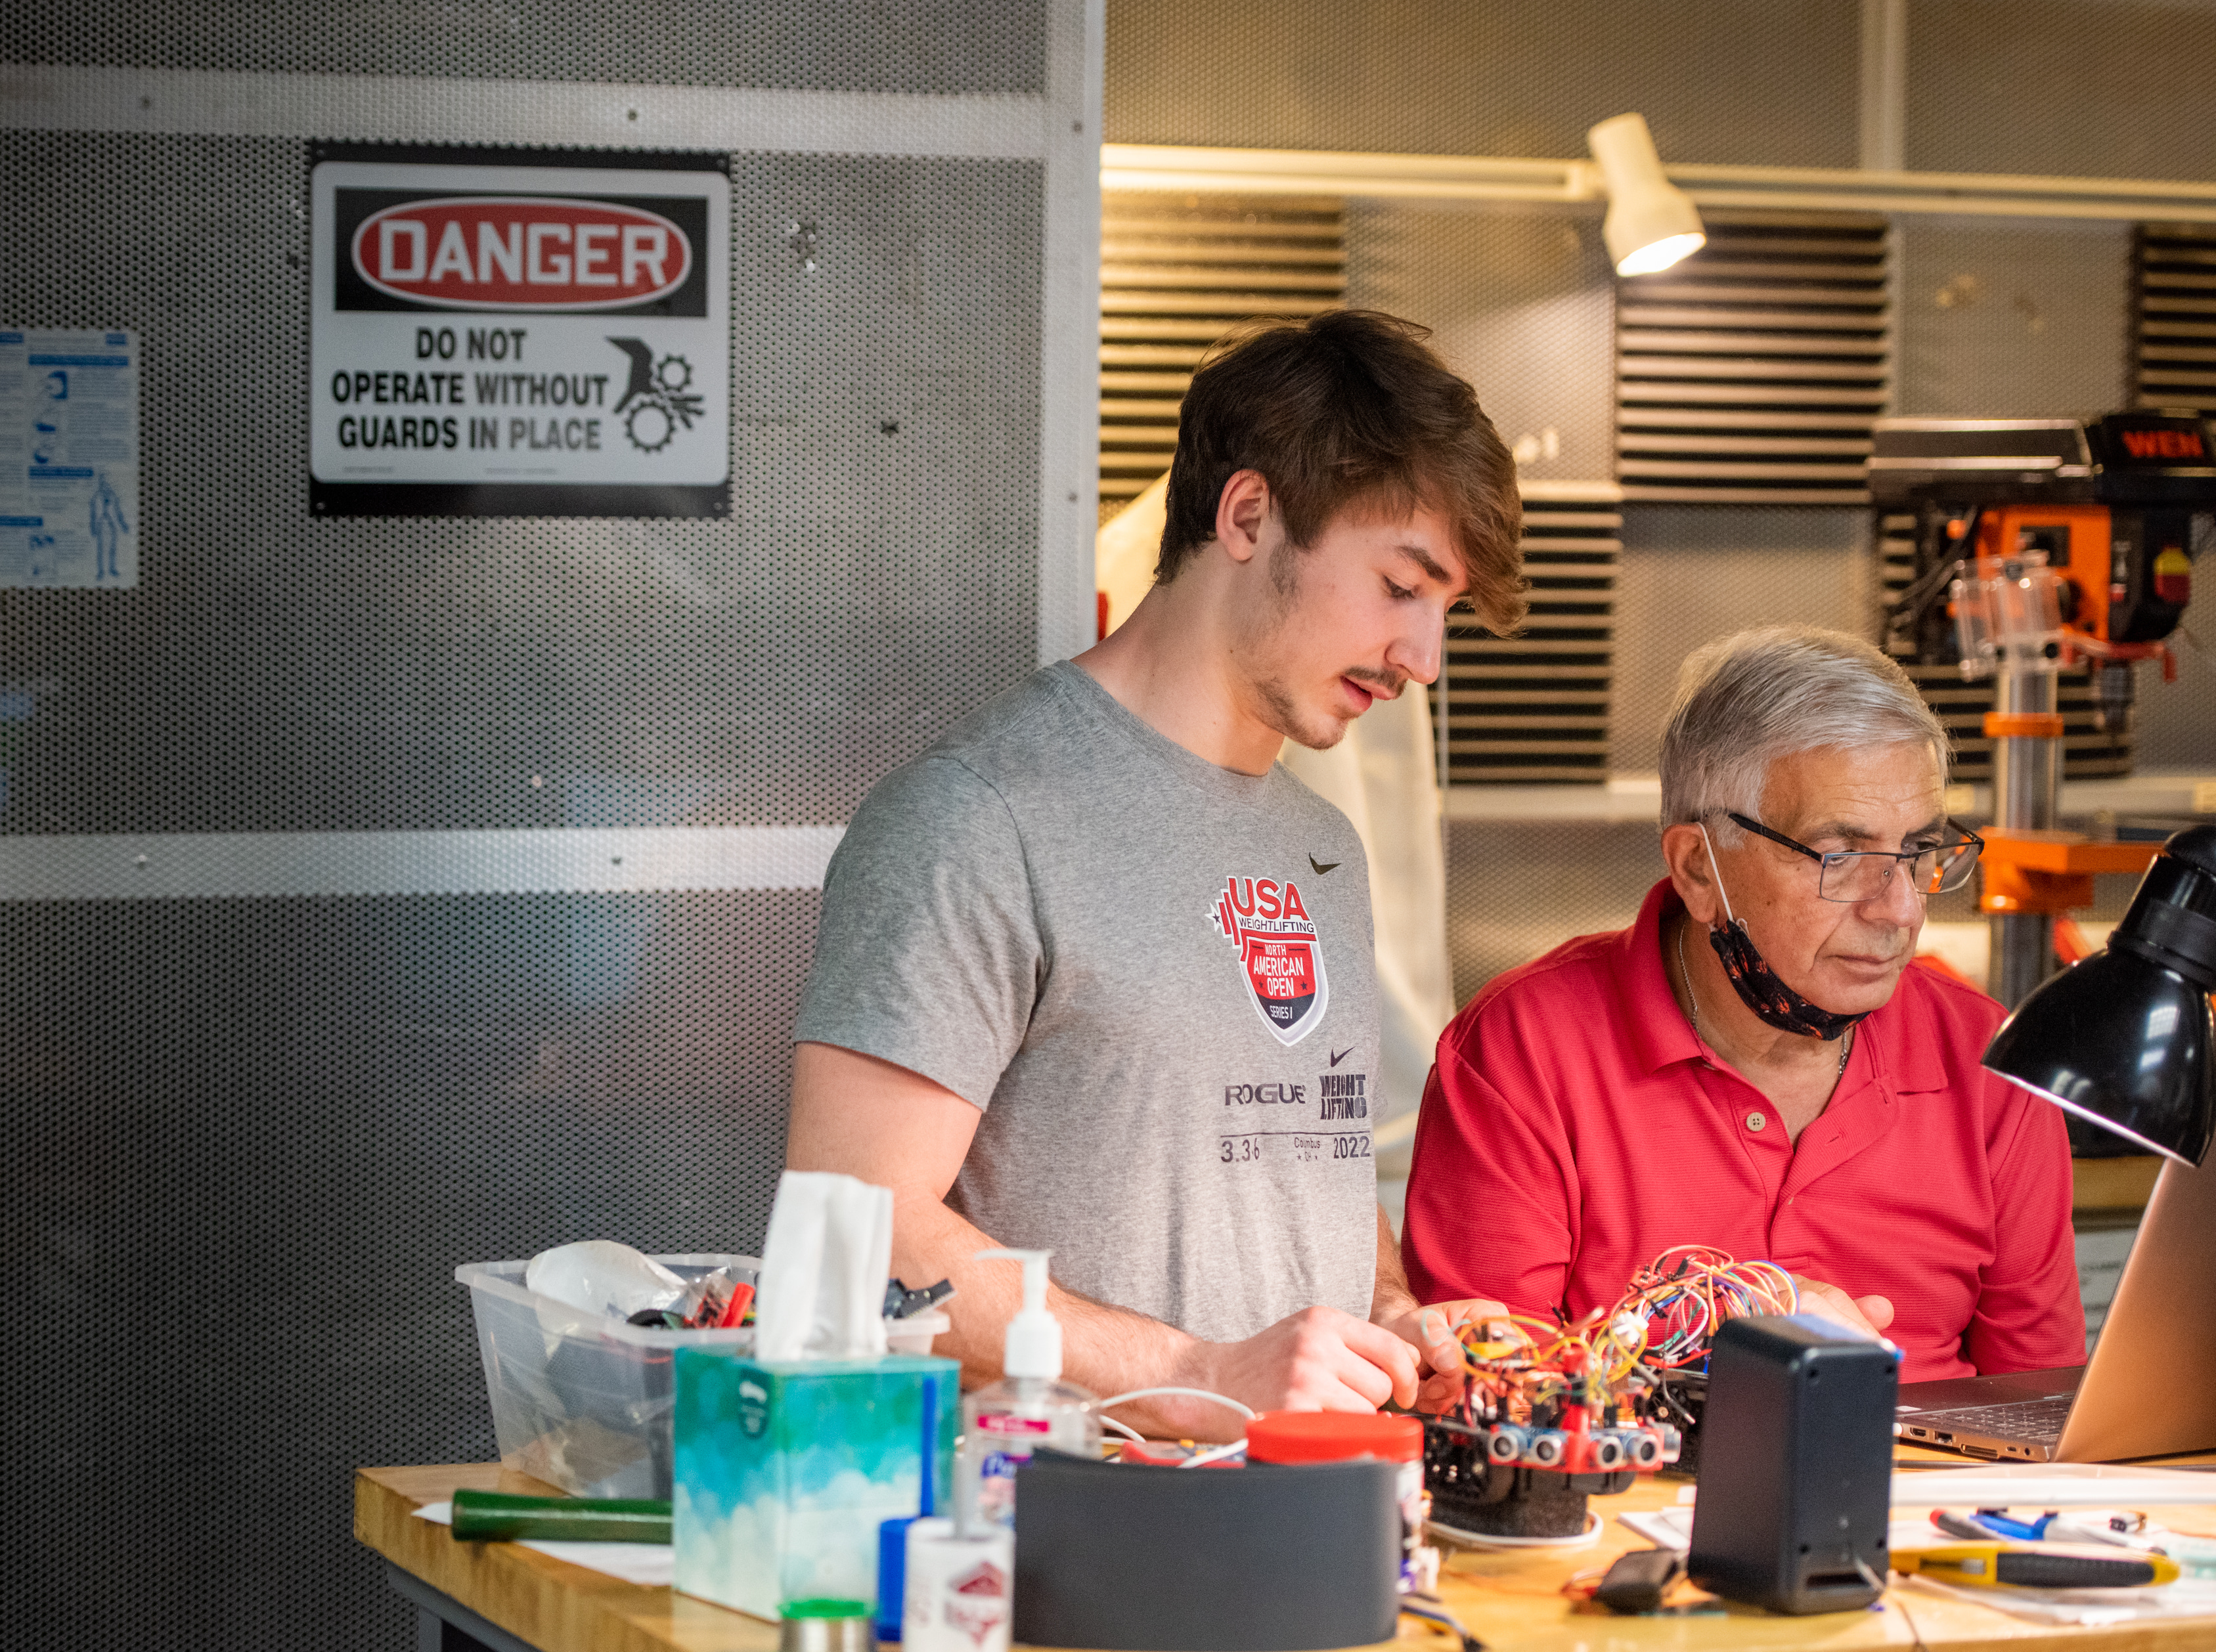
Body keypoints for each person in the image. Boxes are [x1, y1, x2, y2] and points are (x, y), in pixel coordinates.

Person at [787, 311, 1528, 1439]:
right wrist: (1195, 1371)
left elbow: (1300, 1166)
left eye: (1445, 612)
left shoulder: (1320, 848)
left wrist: (1389, 1312)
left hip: (1303, 1528)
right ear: (1247, 515)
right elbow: (853, 1229)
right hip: (1047, 1546)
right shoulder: (977, 817)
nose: (1424, 658)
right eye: (1400, 585)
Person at [1404, 626, 2085, 1380]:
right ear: (1699, 868)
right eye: (1843, 857)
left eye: (1918, 854)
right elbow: (1484, 1390)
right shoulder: (1523, 1049)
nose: (1898, 910)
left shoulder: (1991, 1058)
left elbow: (2043, 1408)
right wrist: (1722, 1315)